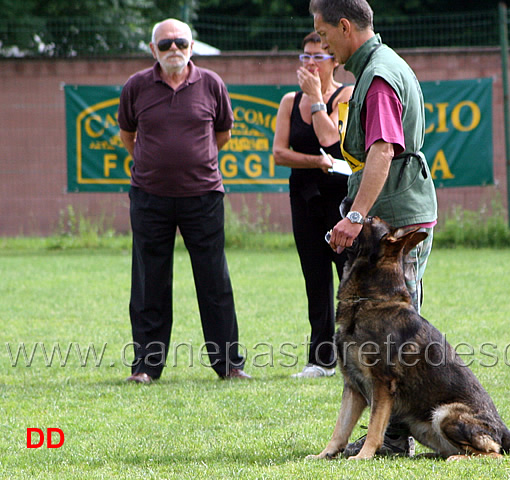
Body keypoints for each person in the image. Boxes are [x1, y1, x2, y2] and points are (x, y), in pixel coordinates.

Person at [309, 0, 438, 456]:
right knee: (382, 329)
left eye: (324, 35)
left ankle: (394, 437)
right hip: (394, 206)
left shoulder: (379, 75)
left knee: (397, 328)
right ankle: (389, 431)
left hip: (397, 214)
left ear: (345, 26)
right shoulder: (373, 69)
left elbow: (383, 150)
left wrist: (356, 216)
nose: (322, 46)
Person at [118, 18, 250, 383]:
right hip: (149, 198)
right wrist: (154, 163)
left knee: (215, 282)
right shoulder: (136, 86)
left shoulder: (211, 84)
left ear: (192, 46)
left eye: (181, 42)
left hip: (203, 197)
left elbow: (221, 133)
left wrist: (193, 161)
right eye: (165, 44)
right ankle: (146, 367)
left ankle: (229, 366)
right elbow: (128, 134)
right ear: (152, 50)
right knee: (149, 283)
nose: (174, 49)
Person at [273, 32, 354, 378]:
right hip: (303, 197)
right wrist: (314, 163)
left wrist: (318, 98)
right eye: (305, 56)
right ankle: (321, 359)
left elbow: (330, 138)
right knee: (314, 275)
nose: (309, 63)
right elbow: (279, 154)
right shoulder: (290, 101)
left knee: (349, 276)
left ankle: (358, 354)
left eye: (318, 57)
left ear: (334, 60)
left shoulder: (346, 94)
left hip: (340, 199)